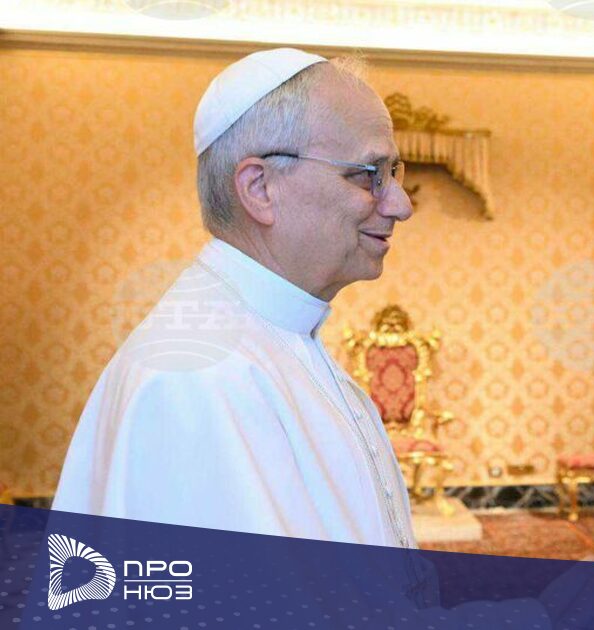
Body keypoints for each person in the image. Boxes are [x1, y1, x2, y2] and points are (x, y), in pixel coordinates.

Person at [53, 48, 418, 547]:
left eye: (394, 172)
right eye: (369, 174)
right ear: (260, 188)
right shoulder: (196, 377)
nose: (400, 204)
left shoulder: (279, 338)